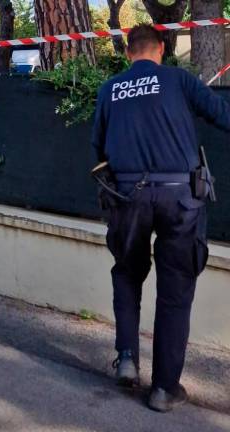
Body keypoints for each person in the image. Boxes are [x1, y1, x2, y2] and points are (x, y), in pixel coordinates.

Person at [91, 24, 230, 412]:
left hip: (127, 197)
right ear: (162, 48)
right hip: (180, 199)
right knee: (175, 289)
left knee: (127, 273)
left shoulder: (110, 89)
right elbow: (223, 117)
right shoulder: (178, 80)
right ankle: (164, 389)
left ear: (127, 53)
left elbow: (97, 148)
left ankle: (127, 358)